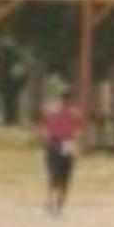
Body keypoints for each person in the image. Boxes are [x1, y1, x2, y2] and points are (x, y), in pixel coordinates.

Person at [39, 86, 82, 216]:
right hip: (63, 143)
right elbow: (78, 132)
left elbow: (44, 127)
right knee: (61, 176)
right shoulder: (73, 113)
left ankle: (54, 203)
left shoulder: (52, 111)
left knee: (58, 176)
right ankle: (56, 204)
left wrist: (45, 137)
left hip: (58, 143)